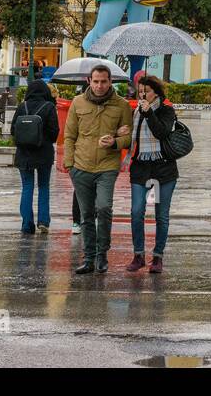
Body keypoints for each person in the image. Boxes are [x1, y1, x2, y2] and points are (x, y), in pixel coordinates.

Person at [62, 64, 133, 274]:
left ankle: (103, 254)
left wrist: (115, 142)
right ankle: (89, 258)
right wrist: (69, 164)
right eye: (96, 81)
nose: (100, 86)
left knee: (103, 208)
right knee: (86, 214)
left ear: (110, 82)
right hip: (81, 166)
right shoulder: (78, 102)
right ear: (89, 82)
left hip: (107, 166)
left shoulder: (121, 105)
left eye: (104, 81)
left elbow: (128, 138)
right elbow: (69, 135)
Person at [127, 75, 179, 273]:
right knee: (136, 211)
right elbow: (134, 139)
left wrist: (149, 114)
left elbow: (162, 132)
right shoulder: (136, 112)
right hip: (141, 168)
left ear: (156, 92)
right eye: (140, 91)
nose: (142, 94)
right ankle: (138, 255)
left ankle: (157, 257)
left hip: (164, 169)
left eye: (146, 91)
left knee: (161, 215)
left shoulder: (166, 110)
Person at [12, 78, 60, 235]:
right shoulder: (49, 107)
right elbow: (54, 133)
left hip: (24, 154)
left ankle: (27, 224)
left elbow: (13, 131)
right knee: (43, 186)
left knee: (27, 187)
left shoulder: (22, 107)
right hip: (43, 154)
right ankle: (43, 221)